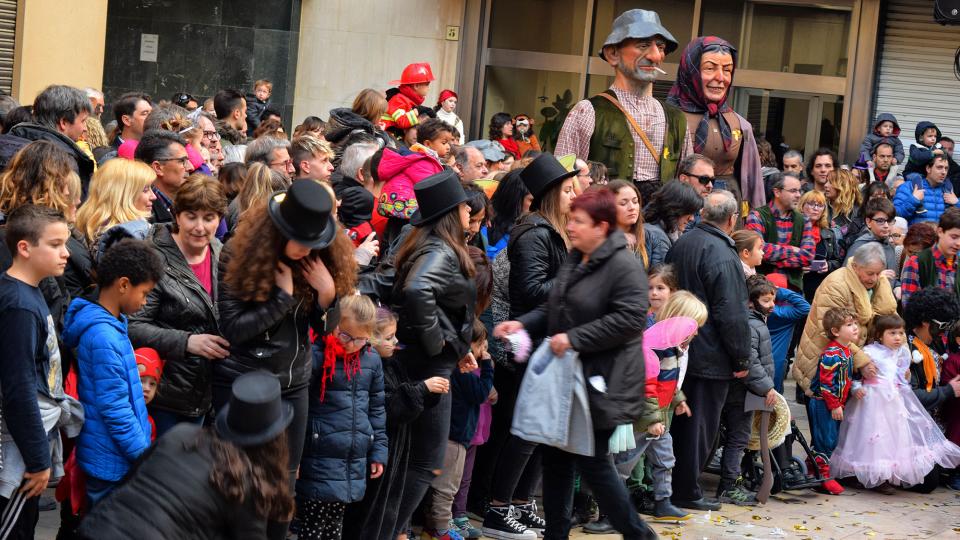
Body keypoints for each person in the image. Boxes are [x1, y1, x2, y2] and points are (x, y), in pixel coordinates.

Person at [494, 189, 655, 539]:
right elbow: (555, 306)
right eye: (570, 219)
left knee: (594, 465)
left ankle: (638, 534)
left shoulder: (622, 264)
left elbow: (629, 320)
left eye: (578, 222)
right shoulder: (578, 256)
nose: (570, 227)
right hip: (568, 379)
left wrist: (575, 338)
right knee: (556, 461)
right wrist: (524, 323)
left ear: (601, 226)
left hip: (604, 382)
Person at [217, 180, 354, 538]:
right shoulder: (237, 253)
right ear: (278, 229)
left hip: (294, 383)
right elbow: (234, 329)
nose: (308, 248)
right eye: (301, 240)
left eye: (314, 241)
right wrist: (282, 298)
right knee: (243, 483)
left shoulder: (316, 258)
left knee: (284, 484)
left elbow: (325, 330)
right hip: (246, 383)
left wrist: (328, 295)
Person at [77, 371, 296, 539]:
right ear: (275, 442)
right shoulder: (246, 484)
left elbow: (130, 481)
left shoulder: (181, 435)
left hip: (96, 529)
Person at [387, 170, 478, 536]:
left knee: (413, 459)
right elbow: (418, 290)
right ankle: (392, 530)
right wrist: (437, 344)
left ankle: (392, 529)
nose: (471, 213)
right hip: (428, 366)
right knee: (425, 461)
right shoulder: (440, 249)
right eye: (465, 208)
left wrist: (455, 346)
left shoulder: (427, 244)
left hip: (430, 361)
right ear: (451, 213)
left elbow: (437, 303)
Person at [665, 189, 750, 511]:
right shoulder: (723, 253)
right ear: (732, 220)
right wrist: (741, 357)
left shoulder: (683, 243)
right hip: (708, 353)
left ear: (702, 214)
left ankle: (677, 487)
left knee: (685, 423)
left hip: (680, 345)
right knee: (700, 426)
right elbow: (732, 312)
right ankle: (686, 490)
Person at [556, 8, 692, 203]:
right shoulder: (588, 111)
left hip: (659, 228)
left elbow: (686, 184)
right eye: (643, 45)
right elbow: (561, 179)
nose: (655, 56)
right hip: (603, 225)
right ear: (612, 54)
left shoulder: (676, 118)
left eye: (660, 47)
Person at [62, 239, 162, 503]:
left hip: (114, 456)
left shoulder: (113, 325)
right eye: (145, 292)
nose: (145, 301)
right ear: (124, 285)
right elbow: (115, 409)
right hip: (111, 462)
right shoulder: (103, 336)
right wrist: (143, 456)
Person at [128, 176, 229, 436]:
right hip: (164, 395)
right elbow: (131, 325)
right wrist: (186, 342)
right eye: (191, 216)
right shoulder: (152, 257)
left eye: (209, 218)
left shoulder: (220, 251)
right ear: (177, 215)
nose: (199, 227)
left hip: (210, 393)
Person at [342, 307, 449, 540]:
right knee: (366, 516)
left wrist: (427, 392)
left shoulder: (391, 363)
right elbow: (387, 407)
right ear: (370, 337)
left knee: (383, 512)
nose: (396, 341)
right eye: (389, 337)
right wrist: (421, 389)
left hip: (392, 455)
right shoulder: (368, 366)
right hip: (375, 457)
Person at [0, 205, 70, 537]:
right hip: (15, 449)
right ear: (24, 248)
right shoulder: (19, 306)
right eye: (55, 244)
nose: (66, 253)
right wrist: (38, 459)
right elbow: (18, 388)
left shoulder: (30, 292)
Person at [831, 314, 960, 493]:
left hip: (893, 403)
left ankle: (886, 475)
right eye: (892, 333)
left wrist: (904, 379)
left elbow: (900, 379)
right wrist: (856, 388)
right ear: (879, 335)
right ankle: (868, 476)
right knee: (871, 438)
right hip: (872, 401)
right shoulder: (870, 352)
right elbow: (854, 375)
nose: (898, 337)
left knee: (891, 438)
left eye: (900, 333)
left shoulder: (902, 354)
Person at [297, 294, 386, 540]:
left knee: (335, 526)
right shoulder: (317, 354)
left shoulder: (371, 360)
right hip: (318, 454)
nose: (350, 344)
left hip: (352, 458)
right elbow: (299, 404)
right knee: (313, 525)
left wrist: (378, 451)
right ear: (333, 324)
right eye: (345, 335)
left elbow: (377, 409)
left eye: (359, 339)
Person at [667, 37, 764, 211]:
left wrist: (755, 221)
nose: (720, 78)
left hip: (727, 210)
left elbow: (753, 183)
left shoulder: (740, 124)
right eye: (710, 68)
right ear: (691, 71)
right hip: (682, 208)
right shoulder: (667, 119)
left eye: (727, 70)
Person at [423, 320, 494, 539]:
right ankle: (442, 529)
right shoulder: (461, 370)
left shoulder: (451, 365)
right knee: (447, 487)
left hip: (450, 433)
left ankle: (433, 526)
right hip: (455, 436)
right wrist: (488, 366)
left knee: (441, 486)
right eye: (481, 344)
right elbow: (481, 393)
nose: (484, 349)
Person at [716, 274, 777, 506]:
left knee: (738, 438)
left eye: (772, 300)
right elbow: (750, 360)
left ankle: (732, 481)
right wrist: (766, 387)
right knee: (738, 438)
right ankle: (729, 485)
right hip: (741, 391)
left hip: (745, 390)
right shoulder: (752, 325)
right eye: (766, 300)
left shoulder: (756, 321)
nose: (771, 305)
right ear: (751, 302)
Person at [6, 85, 95, 197]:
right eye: (83, 121)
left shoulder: (7, 144)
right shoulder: (64, 162)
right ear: (64, 122)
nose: (85, 128)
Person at [74, 159, 156, 262]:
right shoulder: (123, 239)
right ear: (122, 195)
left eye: (151, 189)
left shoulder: (96, 228)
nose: (153, 196)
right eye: (145, 190)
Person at [745, 172, 815, 291]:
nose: (798, 195)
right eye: (793, 191)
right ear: (777, 192)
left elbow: (808, 256)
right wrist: (792, 250)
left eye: (800, 191)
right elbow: (758, 250)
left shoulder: (803, 219)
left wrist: (772, 260)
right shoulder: (757, 216)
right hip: (761, 290)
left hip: (793, 291)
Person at [808, 307, 860, 459]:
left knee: (833, 438)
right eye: (849, 325)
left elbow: (845, 379)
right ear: (836, 331)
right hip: (824, 403)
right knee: (826, 440)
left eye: (855, 323)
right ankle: (823, 474)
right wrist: (835, 405)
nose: (855, 327)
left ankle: (822, 469)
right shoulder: (832, 354)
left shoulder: (846, 350)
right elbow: (826, 383)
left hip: (834, 403)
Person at [904, 288, 960, 416]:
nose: (944, 332)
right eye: (943, 326)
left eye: (948, 327)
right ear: (925, 321)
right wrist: (948, 390)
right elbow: (910, 395)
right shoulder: (906, 349)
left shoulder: (936, 343)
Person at [900, 207, 960, 304]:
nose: (958, 243)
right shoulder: (917, 262)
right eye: (954, 237)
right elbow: (909, 307)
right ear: (940, 232)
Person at [134, 129, 195, 223]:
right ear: (158, 168)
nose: (191, 167)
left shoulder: (191, 203)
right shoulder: (143, 215)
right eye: (182, 161)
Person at [845, 197, 900, 293]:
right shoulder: (860, 247)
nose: (886, 225)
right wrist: (878, 278)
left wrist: (897, 287)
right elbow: (848, 280)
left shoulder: (890, 246)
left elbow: (893, 277)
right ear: (868, 222)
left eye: (890, 220)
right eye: (880, 221)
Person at [642, 181, 703, 267]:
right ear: (675, 209)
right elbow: (659, 277)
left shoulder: (661, 230)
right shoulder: (658, 236)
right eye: (689, 212)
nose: (692, 219)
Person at [797, 189, 842, 300]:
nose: (816, 208)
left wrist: (828, 265)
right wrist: (798, 267)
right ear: (802, 206)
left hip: (822, 290)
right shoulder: (792, 230)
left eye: (820, 205)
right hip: (798, 288)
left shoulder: (829, 233)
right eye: (812, 204)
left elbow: (837, 261)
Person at [895, 154, 958, 225]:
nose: (944, 172)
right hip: (917, 235)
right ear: (928, 169)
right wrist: (914, 199)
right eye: (939, 167)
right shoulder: (909, 186)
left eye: (946, 168)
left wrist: (957, 203)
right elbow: (896, 215)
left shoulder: (948, 189)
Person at [607, 180, 648, 268]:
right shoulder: (602, 244)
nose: (632, 207)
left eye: (635, 201)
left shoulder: (647, 236)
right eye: (623, 203)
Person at [384, 62, 434, 134]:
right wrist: (417, 111)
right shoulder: (398, 99)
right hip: (389, 137)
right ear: (416, 86)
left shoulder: (407, 99)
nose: (429, 88)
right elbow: (402, 121)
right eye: (427, 85)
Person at [134, 347, 163, 440]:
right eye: (141, 381)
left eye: (152, 384)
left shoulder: (150, 423)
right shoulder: (116, 413)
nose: (147, 388)